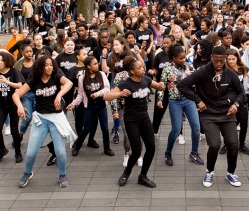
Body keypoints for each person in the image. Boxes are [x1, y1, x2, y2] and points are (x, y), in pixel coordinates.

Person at [178, 46, 246, 188]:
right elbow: (182, 85)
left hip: (227, 114)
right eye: (216, 61)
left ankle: (231, 173)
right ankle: (209, 171)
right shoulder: (203, 72)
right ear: (211, 58)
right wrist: (198, 100)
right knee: (214, 145)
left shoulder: (230, 74)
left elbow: (241, 93)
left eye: (222, 61)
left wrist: (236, 104)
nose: (219, 64)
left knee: (233, 144)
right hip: (209, 114)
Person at [15, 55, 75, 189]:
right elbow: (16, 94)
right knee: (31, 152)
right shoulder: (34, 80)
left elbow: (69, 83)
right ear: (40, 67)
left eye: (51, 64)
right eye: (46, 65)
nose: (49, 67)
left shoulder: (56, 76)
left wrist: (59, 95)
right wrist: (20, 106)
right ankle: (27, 173)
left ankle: (62, 174)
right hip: (41, 118)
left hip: (56, 118)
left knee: (60, 151)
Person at [106, 59, 163, 188]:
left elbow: (156, 85)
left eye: (143, 67)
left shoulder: (146, 80)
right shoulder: (126, 83)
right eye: (139, 68)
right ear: (132, 71)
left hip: (144, 119)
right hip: (131, 120)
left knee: (151, 148)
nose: (143, 69)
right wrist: (120, 93)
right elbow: (107, 96)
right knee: (136, 151)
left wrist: (161, 86)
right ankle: (126, 172)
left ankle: (143, 176)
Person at [158, 44, 203, 166]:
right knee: (176, 129)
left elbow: (197, 82)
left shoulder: (189, 66)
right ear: (174, 58)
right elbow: (161, 86)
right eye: (180, 58)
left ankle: (194, 153)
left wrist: (191, 76)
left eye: (184, 57)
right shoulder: (167, 69)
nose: (183, 60)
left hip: (189, 100)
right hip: (175, 101)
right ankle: (168, 152)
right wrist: (159, 99)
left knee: (196, 127)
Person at [68, 56, 114, 157]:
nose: (97, 65)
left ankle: (107, 148)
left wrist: (97, 94)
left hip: (101, 105)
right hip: (89, 106)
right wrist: (73, 103)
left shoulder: (101, 74)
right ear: (88, 66)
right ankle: (77, 146)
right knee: (87, 128)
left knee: (105, 128)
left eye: (97, 63)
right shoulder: (82, 78)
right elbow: (80, 94)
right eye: (94, 64)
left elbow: (107, 88)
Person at [0, 51, 24, 164]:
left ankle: (18, 152)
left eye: (1, 60)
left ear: (6, 61)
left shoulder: (13, 72)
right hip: (2, 103)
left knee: (14, 130)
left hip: (13, 103)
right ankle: (2, 149)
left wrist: (7, 82)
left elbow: (20, 85)